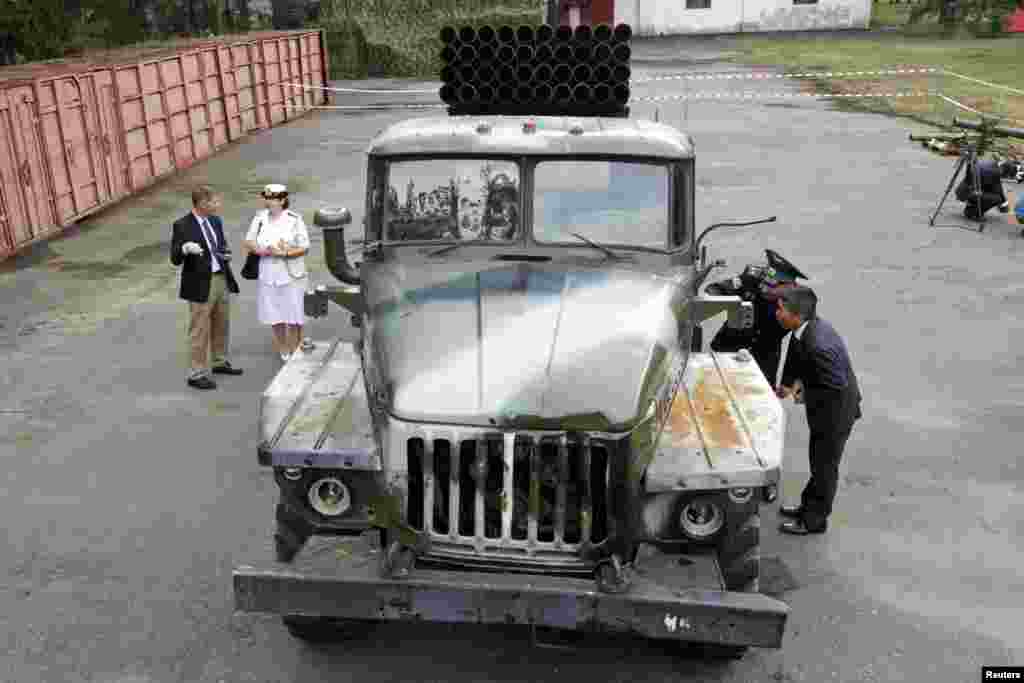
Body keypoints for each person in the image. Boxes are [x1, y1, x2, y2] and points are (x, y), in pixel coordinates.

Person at [774, 286, 862, 535]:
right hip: (824, 407)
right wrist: (787, 384)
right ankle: (807, 507)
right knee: (818, 461)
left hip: (835, 413)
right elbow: (794, 352)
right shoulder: (803, 329)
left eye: (780, 310)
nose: (776, 314)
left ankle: (814, 521)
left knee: (824, 468)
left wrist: (800, 393)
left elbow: (835, 385)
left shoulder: (819, 345)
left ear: (796, 315)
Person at [170, 185, 244, 390]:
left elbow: (221, 245)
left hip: (220, 277)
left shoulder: (215, 221)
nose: (217, 205)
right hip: (200, 283)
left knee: (222, 322)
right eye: (214, 202)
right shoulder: (182, 225)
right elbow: (175, 258)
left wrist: (226, 254)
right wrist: (185, 248)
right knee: (199, 329)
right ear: (202, 203)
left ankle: (219, 362)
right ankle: (196, 373)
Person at [242, 184, 310, 362]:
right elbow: (249, 241)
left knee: (294, 313)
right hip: (268, 273)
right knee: (274, 314)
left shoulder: (294, 220)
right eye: (267, 198)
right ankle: (283, 348)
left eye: (272, 199)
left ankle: (296, 347)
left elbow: (304, 247)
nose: (268, 202)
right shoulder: (260, 218)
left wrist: (286, 252)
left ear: (282, 200)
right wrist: (261, 250)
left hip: (291, 273)